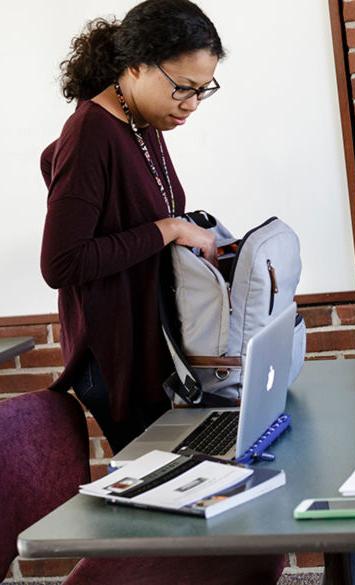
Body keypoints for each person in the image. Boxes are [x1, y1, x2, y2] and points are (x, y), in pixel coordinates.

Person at [40, 0, 224, 454]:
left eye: (204, 89)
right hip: (115, 355)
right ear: (137, 66)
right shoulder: (90, 133)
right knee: (165, 494)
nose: (193, 104)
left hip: (150, 344)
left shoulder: (142, 122)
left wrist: (186, 231)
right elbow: (61, 264)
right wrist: (170, 229)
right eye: (183, 87)